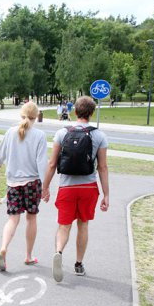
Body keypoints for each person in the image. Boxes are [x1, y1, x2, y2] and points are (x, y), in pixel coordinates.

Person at [42, 96, 109, 282]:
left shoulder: (62, 133)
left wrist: (45, 187)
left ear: (74, 111)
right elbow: (102, 167)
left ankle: (59, 251)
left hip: (67, 187)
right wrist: (106, 194)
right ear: (92, 113)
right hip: (88, 187)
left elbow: (52, 163)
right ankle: (79, 264)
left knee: (64, 225)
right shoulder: (99, 135)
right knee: (83, 224)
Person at [0, 101, 48, 271]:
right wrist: (45, 186)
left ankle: (3, 248)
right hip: (32, 183)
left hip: (12, 183)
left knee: (13, 219)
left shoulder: (10, 132)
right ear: (36, 116)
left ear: (21, 115)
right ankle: (29, 256)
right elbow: (41, 163)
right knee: (31, 218)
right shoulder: (40, 135)